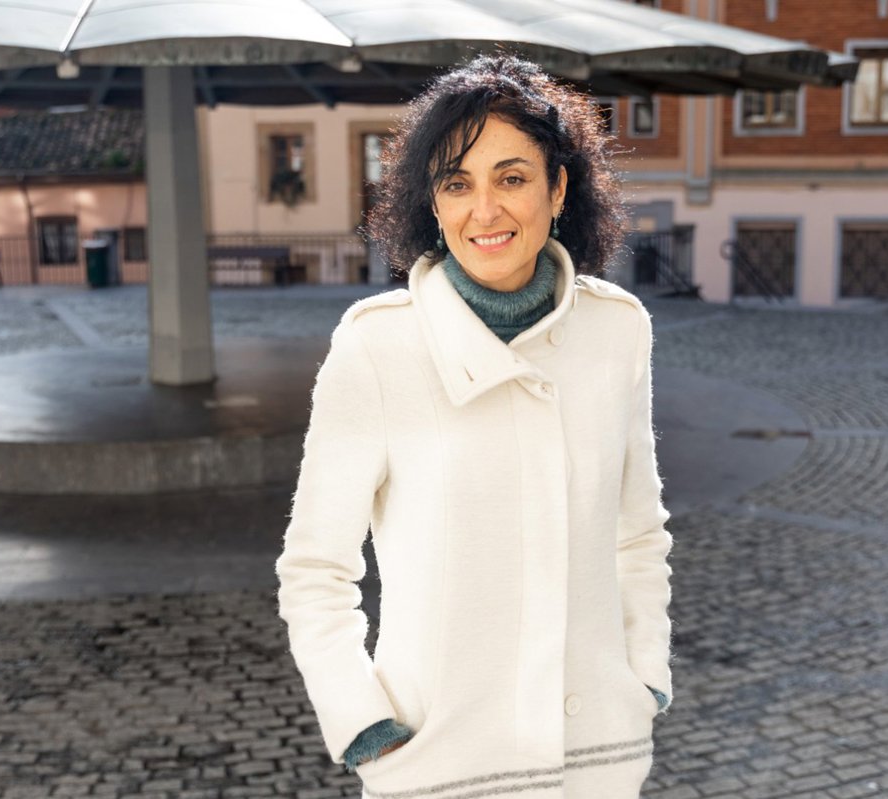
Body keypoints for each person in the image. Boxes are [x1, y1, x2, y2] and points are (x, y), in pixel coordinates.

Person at [274, 53, 673, 799]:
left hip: (597, 758)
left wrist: (644, 675)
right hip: (439, 764)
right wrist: (361, 722)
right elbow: (316, 568)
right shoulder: (377, 346)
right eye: (457, 184)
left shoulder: (618, 330)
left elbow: (637, 533)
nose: (483, 211)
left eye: (511, 178)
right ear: (432, 201)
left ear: (558, 188)